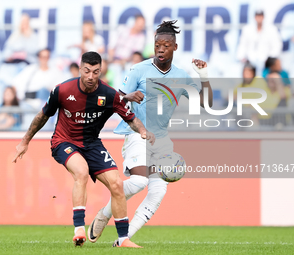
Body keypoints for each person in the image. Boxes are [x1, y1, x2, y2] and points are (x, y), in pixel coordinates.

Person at [88, 20, 213, 245]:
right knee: (138, 181)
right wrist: (129, 96)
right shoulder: (139, 69)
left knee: (158, 192)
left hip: (161, 138)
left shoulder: (181, 76)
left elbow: (205, 104)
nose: (161, 49)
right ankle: (105, 214)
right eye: (157, 45)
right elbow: (114, 98)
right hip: (136, 131)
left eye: (166, 45)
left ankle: (122, 242)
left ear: (175, 47)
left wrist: (203, 77)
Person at [12, 51, 155, 248]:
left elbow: (130, 118)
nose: (90, 76)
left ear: (100, 71)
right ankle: (79, 228)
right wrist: (25, 141)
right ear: (80, 69)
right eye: (87, 71)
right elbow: (42, 115)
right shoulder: (62, 90)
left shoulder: (109, 94)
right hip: (64, 141)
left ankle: (123, 239)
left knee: (117, 184)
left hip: (92, 144)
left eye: (95, 72)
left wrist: (142, 131)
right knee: (81, 171)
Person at [236, 9, 282, 74]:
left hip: (266, 62)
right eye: (257, 16)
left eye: (261, 16)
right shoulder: (247, 29)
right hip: (250, 61)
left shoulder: (271, 29)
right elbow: (242, 45)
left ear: (263, 17)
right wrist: (242, 58)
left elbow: (277, 45)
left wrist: (270, 59)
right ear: (255, 17)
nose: (259, 18)